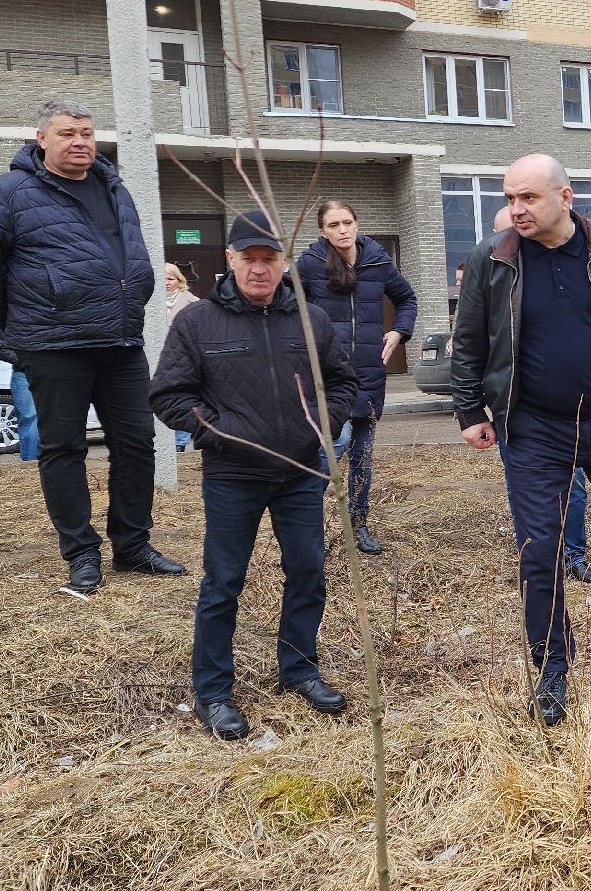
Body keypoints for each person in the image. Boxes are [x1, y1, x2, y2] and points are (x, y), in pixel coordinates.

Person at [453, 153, 591, 728]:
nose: (516, 209)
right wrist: (469, 409)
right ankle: (552, 666)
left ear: (565, 197)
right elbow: (469, 340)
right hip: (534, 430)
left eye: (528, 197)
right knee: (540, 552)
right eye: (510, 197)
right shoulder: (492, 259)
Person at [0, 98, 187, 593]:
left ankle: (132, 545)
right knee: (64, 448)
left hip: (120, 339)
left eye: (86, 132)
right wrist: (19, 320)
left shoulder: (113, 185)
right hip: (54, 343)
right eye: (67, 133)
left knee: (136, 442)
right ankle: (81, 553)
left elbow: (130, 249)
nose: (80, 141)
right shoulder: (7, 193)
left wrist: (138, 287)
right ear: (42, 140)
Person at [150, 212, 360, 741]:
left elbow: (341, 382)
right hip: (232, 474)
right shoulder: (196, 324)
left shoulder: (310, 320)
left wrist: (321, 426)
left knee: (309, 571)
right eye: (250, 259)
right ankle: (214, 691)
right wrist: (219, 431)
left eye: (269, 259)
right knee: (224, 582)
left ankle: (299, 669)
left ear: (283, 261)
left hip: (298, 471)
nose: (260, 270)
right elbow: (169, 396)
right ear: (231, 260)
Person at [296, 201, 418, 556]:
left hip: (368, 371)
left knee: (363, 455)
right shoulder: (309, 265)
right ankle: (306, 524)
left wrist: (398, 332)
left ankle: (359, 523)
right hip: (329, 374)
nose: (343, 230)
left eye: (347, 222)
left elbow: (407, 298)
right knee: (335, 443)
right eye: (334, 225)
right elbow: (287, 305)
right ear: (323, 231)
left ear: (356, 223)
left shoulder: (377, 261)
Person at [492, 207, 591, 584]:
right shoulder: (492, 283)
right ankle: (537, 558)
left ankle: (573, 554)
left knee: (574, 486)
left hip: (568, 411)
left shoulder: (561, 277)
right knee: (525, 490)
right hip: (518, 412)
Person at [165, 264, 199, 452]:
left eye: (170, 279)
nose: (166, 283)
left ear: (179, 280)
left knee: (182, 398)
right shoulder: (150, 300)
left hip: (184, 358)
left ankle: (180, 442)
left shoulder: (191, 301)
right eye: (162, 279)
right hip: (161, 358)